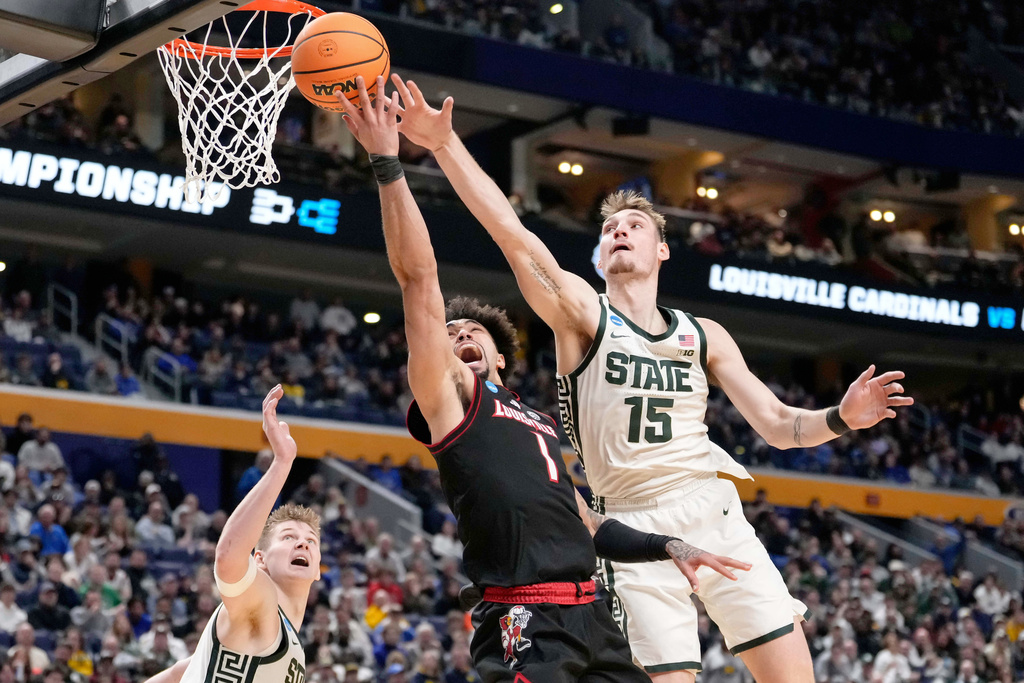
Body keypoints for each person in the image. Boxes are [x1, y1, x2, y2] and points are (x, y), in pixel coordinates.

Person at [389, 73, 914, 683]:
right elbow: (512, 234)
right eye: (611, 228)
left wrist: (841, 418)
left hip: (712, 509)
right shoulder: (583, 313)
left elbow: (778, 426)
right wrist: (445, 144)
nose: (619, 231)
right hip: (628, 525)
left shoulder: (705, 333)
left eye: (635, 226)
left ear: (663, 250)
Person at [337, 77, 748, 682]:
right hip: (522, 619)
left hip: (592, 620)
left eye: (471, 334)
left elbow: (588, 523)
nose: (459, 339)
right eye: (449, 337)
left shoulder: (537, 423)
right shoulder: (450, 401)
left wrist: (671, 547)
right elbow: (418, 280)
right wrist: (387, 163)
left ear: (501, 357)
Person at [143, 386, 321, 682]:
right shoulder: (262, 604)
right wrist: (281, 464)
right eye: (288, 536)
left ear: (318, 568)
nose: (302, 541)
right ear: (259, 559)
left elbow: (178, 673)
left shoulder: (282, 634)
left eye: (311, 541)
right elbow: (227, 556)